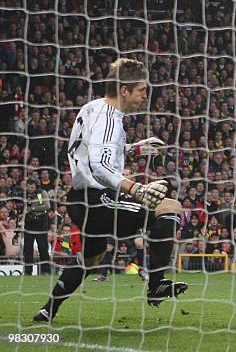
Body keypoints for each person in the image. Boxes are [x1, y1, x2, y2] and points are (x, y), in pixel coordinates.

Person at [34, 58, 186, 323]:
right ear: (124, 90)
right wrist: (136, 188)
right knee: (170, 208)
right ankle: (157, 284)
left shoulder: (93, 108)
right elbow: (101, 167)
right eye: (141, 89)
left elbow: (94, 149)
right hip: (98, 198)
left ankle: (48, 309)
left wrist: (135, 148)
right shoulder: (110, 121)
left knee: (90, 260)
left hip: (79, 199)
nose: (145, 95)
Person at [23, 179, 51, 275]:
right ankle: (27, 272)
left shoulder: (41, 193)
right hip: (29, 224)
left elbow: (47, 206)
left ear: (36, 187)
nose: (30, 189)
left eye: (32, 187)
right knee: (27, 249)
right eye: (29, 187)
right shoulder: (24, 194)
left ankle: (46, 271)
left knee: (43, 248)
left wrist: (32, 209)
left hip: (41, 223)